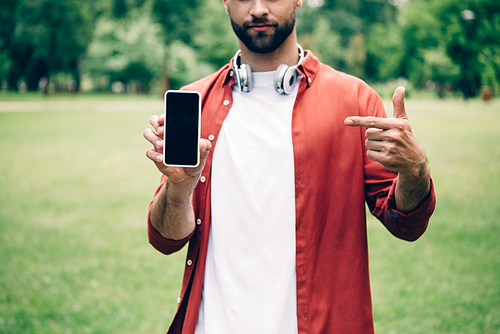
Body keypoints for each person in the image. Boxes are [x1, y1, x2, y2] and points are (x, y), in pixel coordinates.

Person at [143, 0, 436, 333]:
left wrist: (415, 170)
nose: (257, 9)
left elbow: (406, 224)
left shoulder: (354, 101)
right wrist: (180, 187)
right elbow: (165, 239)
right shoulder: (195, 102)